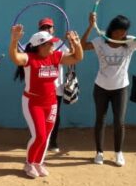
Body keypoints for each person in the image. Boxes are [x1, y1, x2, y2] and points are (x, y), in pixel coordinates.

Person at [81, 13, 136, 165]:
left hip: (121, 88)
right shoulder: (100, 41)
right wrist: (90, 27)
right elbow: (82, 47)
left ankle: (118, 153)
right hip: (101, 87)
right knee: (100, 119)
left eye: (124, 31)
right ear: (111, 30)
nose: (121, 34)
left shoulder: (130, 42)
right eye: (118, 31)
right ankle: (99, 152)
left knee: (119, 121)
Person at [10, 25, 83, 178]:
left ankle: (38, 162)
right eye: (50, 43)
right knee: (39, 136)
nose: (53, 45)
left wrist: (77, 44)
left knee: (47, 136)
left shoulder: (56, 56)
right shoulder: (30, 58)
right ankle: (29, 163)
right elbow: (15, 57)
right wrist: (14, 40)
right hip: (33, 103)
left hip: (51, 103)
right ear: (40, 46)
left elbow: (78, 58)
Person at [35, 17, 72, 153]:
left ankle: (52, 141)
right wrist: (15, 40)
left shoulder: (60, 43)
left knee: (54, 115)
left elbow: (72, 56)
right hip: (38, 87)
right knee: (38, 114)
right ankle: (38, 139)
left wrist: (73, 42)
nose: (47, 29)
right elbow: (22, 55)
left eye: (49, 27)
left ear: (53, 29)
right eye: (43, 27)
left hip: (56, 87)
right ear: (39, 30)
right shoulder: (34, 43)